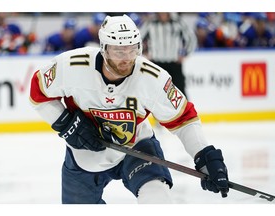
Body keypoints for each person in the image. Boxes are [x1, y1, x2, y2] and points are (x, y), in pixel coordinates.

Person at [29, 14, 229, 204]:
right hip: (84, 154)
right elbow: (37, 91)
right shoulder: (72, 66)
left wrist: (205, 156)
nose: (126, 58)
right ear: (104, 48)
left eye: (132, 49)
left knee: (157, 198)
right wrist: (67, 124)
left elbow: (184, 118)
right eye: (118, 51)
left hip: (137, 147)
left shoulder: (152, 78)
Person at [139, 12, 197, 98]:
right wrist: (144, 53)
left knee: (180, 91)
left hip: (174, 63)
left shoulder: (178, 22)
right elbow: (138, 38)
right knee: (155, 91)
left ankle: (185, 111)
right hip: (156, 63)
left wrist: (185, 54)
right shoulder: (150, 22)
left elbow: (191, 38)